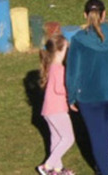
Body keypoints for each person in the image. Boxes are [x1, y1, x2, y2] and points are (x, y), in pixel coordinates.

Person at [65, 0, 108, 175]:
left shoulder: (78, 40)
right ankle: (103, 167)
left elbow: (73, 72)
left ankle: (105, 171)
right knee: (105, 127)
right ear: (104, 15)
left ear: (85, 15)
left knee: (96, 136)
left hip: (90, 96)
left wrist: (71, 96)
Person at [38, 34, 75, 175]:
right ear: (60, 50)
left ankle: (57, 170)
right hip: (57, 110)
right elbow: (59, 89)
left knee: (57, 139)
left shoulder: (51, 66)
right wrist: (72, 90)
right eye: (66, 48)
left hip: (49, 110)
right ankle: (47, 166)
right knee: (68, 138)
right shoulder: (59, 69)